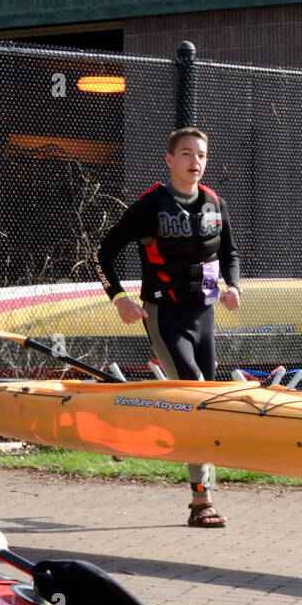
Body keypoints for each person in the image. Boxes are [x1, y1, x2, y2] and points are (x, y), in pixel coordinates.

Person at [94, 127, 241, 528]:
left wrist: (232, 287)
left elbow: (229, 253)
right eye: (187, 154)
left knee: (203, 403)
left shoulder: (214, 203)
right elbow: (102, 252)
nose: (195, 161)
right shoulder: (149, 205)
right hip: (165, 316)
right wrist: (119, 298)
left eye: (202, 155)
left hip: (204, 314)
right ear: (170, 160)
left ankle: (131, 425)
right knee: (192, 391)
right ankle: (201, 501)